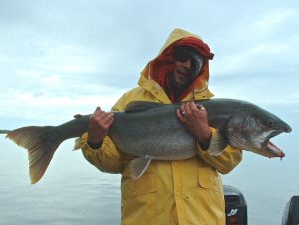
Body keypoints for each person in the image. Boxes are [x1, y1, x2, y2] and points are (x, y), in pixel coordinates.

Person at [79, 28, 242, 225]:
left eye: (196, 61)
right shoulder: (130, 100)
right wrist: (95, 142)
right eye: (183, 56)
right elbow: (112, 164)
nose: (188, 65)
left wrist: (205, 135)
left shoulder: (211, 109)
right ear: (167, 57)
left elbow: (229, 163)